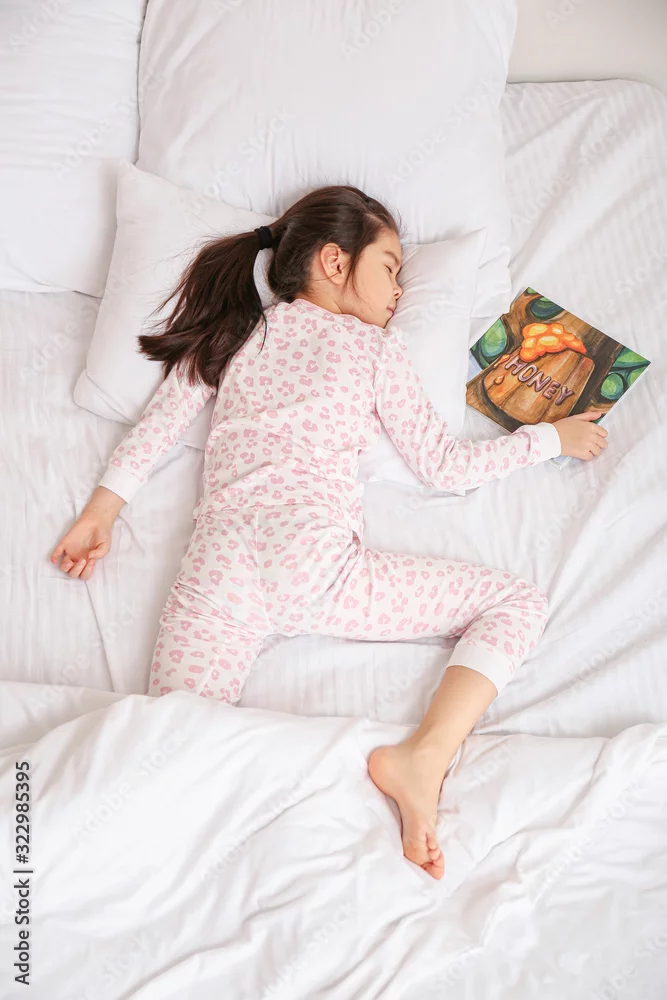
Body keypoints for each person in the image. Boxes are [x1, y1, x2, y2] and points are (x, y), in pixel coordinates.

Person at [51, 185, 607, 878]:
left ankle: (89, 846)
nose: (400, 291)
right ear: (335, 262)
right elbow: (442, 466)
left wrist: (100, 514)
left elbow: (159, 426)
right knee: (515, 602)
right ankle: (423, 757)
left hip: (218, 576)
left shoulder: (236, 331)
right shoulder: (373, 349)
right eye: (391, 268)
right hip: (315, 568)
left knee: (171, 749)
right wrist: (548, 440)